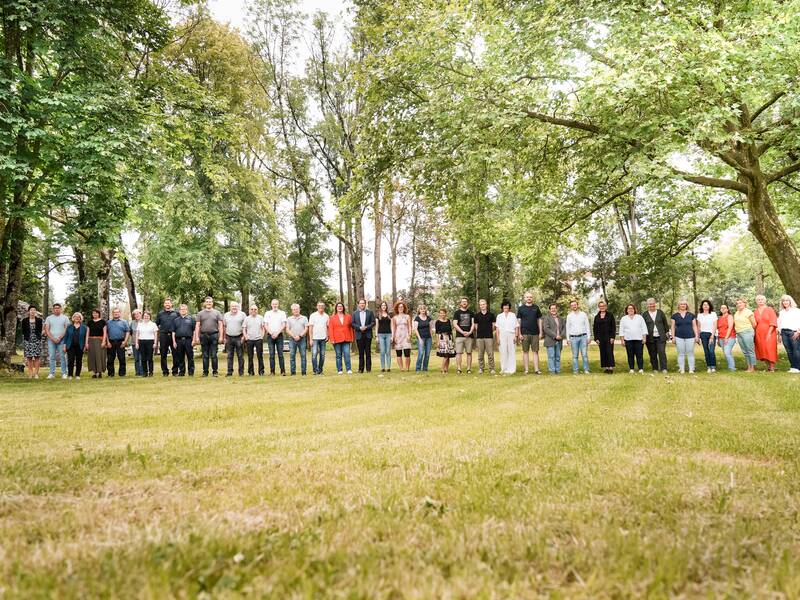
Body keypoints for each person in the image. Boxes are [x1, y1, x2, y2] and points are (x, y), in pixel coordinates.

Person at [195, 296, 223, 377]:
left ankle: (215, 372)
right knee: (205, 355)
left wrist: (221, 336)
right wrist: (197, 337)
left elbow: (220, 325)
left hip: (214, 335)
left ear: (212, 303)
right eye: (207, 301)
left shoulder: (217, 313)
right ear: (204, 303)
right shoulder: (200, 313)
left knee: (214, 355)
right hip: (203, 336)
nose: (208, 303)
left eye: (210, 301)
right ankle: (205, 372)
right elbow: (197, 326)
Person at [517, 292, 543, 374]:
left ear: (532, 298)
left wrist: (541, 332)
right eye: (527, 297)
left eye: (530, 297)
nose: (529, 298)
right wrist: (519, 333)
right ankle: (526, 370)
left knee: (535, 351)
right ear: (524, 298)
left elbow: (539, 320)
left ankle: (536, 370)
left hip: (535, 333)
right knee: (525, 351)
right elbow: (518, 322)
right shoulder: (521, 308)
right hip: (524, 333)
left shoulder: (536, 308)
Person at [670, 299, 699, 374]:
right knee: (681, 353)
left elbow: (694, 326)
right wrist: (673, 337)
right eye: (681, 304)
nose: (683, 305)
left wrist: (696, 336)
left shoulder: (691, 315)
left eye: (684, 304)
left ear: (686, 306)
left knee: (690, 353)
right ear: (678, 306)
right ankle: (682, 369)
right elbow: (672, 327)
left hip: (690, 336)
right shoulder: (674, 316)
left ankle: (691, 369)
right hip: (678, 336)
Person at [643, 298, 670, 373]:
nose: (651, 305)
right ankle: (655, 368)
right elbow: (642, 326)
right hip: (649, 337)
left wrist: (667, 332)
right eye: (650, 303)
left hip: (660, 337)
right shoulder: (645, 314)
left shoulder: (660, 312)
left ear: (655, 304)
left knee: (661, 352)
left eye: (653, 303)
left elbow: (665, 323)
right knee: (652, 353)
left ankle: (664, 368)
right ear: (647, 305)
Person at [44, 303, 70, 379]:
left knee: (63, 356)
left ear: (61, 309)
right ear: (53, 309)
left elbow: (66, 329)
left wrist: (60, 338)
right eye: (55, 308)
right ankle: (52, 373)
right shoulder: (49, 318)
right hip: (51, 340)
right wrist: (52, 338)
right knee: (52, 356)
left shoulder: (65, 318)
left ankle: (64, 373)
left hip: (62, 340)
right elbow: (47, 329)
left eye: (58, 308)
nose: (56, 309)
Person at [619, 304, 647, 373]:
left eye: (632, 308)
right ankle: (631, 368)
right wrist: (622, 340)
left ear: (634, 310)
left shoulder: (639, 317)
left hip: (639, 339)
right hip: (628, 339)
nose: (630, 310)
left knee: (639, 354)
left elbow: (644, 328)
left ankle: (640, 368)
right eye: (629, 308)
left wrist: (644, 338)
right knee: (630, 354)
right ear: (627, 310)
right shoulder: (624, 318)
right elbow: (621, 330)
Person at [754, 294, 778, 372]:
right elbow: (754, 323)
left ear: (765, 301)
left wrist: (769, 333)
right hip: (759, 333)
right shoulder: (755, 311)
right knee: (762, 349)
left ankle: (772, 367)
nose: (760, 301)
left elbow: (773, 321)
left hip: (770, 332)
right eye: (758, 300)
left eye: (762, 299)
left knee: (770, 349)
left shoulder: (769, 309)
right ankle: (768, 366)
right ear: (756, 302)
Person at [566, 300, 591, 374]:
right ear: (571, 307)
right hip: (573, 338)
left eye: (575, 304)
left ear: (577, 305)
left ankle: (586, 370)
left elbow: (587, 325)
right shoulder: (569, 316)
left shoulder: (583, 314)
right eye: (572, 305)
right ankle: (575, 370)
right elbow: (568, 328)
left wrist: (589, 336)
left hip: (583, 337)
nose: (574, 306)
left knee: (584, 355)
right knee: (575, 355)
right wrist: (568, 339)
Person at [155, 298, 178, 376]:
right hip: (163, 335)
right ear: (164, 305)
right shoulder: (160, 314)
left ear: (171, 304)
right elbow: (156, 325)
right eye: (166, 303)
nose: (167, 304)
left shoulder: (176, 313)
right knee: (163, 354)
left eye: (169, 303)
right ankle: (165, 371)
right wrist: (158, 336)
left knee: (175, 354)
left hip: (173, 336)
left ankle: (175, 371)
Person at [329, 301, 353, 374]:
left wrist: (352, 337)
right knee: (338, 355)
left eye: (341, 306)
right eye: (338, 306)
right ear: (336, 308)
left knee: (347, 354)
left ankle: (348, 369)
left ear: (343, 308)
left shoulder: (348, 316)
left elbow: (351, 328)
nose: (340, 307)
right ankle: (340, 370)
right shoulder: (332, 318)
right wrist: (332, 339)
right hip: (336, 339)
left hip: (346, 338)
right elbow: (330, 329)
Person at [777, 295, 800, 373]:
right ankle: (793, 367)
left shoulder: (796, 311)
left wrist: (798, 332)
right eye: (783, 301)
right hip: (784, 333)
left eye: (787, 300)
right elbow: (779, 324)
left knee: (796, 350)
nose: (785, 302)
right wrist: (779, 334)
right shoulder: (781, 312)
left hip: (793, 332)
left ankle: (798, 367)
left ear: (790, 301)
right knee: (789, 351)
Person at [351, 298, 375, 373]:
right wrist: (359, 328)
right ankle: (361, 369)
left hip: (368, 334)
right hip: (359, 335)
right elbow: (352, 323)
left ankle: (368, 369)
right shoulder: (355, 313)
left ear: (365, 304)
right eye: (360, 303)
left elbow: (373, 322)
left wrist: (366, 327)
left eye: (363, 303)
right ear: (358, 304)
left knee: (368, 353)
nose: (362, 304)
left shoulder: (370, 312)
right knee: (361, 353)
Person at [495, 300, 519, 375]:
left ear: (509, 307)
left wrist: (516, 336)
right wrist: (498, 338)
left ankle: (511, 369)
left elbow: (516, 326)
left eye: (507, 306)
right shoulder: (499, 316)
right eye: (504, 306)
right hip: (502, 335)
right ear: (502, 307)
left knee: (511, 352)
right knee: (503, 352)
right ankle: (504, 368)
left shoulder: (513, 315)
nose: (506, 307)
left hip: (511, 334)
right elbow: (497, 328)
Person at [222, 302, 246, 377]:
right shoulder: (226, 315)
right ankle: (229, 372)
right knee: (229, 356)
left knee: (240, 355)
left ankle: (241, 372)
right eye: (232, 306)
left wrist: (244, 337)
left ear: (238, 307)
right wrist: (224, 337)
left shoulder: (242, 315)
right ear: (230, 307)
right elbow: (224, 327)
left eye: (235, 306)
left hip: (239, 337)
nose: (234, 308)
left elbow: (245, 326)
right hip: (229, 337)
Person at [452, 297, 475, 374]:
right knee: (458, 353)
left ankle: (469, 369)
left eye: (465, 302)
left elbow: (473, 324)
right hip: (459, 336)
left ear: (467, 303)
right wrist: (462, 332)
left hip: (469, 336)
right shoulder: (457, 313)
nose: (464, 303)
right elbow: (455, 324)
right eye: (463, 302)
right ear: (460, 303)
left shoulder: (471, 313)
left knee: (469, 353)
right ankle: (459, 368)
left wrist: (470, 332)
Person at [734, 298, 758, 372]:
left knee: (750, 350)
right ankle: (749, 367)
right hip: (739, 333)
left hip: (747, 332)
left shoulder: (748, 312)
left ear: (744, 303)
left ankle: (753, 368)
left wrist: (750, 332)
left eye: (741, 303)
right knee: (745, 351)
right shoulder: (736, 313)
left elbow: (754, 324)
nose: (739, 304)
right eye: (737, 303)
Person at [264, 299, 287, 376]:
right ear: (271, 305)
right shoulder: (267, 313)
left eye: (276, 304)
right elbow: (265, 325)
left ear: (278, 304)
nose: (275, 305)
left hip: (279, 335)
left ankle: (283, 371)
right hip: (270, 336)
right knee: (271, 355)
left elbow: (283, 324)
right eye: (273, 304)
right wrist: (271, 333)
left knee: (280, 354)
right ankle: (272, 372)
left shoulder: (282, 313)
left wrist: (277, 333)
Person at [105, 307, 130, 377]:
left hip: (120, 341)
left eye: (117, 312)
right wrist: (107, 342)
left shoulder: (124, 322)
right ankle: (110, 373)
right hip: (111, 342)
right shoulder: (108, 322)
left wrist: (125, 341)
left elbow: (127, 331)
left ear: (119, 313)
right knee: (110, 359)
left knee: (122, 358)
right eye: (114, 312)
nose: (116, 313)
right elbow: (106, 333)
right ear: (112, 314)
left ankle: (122, 373)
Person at [172, 304, 196, 376]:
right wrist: (174, 342)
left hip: (188, 340)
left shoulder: (191, 319)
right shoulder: (176, 320)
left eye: (184, 309)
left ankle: (191, 372)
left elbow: (194, 331)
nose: (183, 310)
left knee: (190, 357)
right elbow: (173, 332)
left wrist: (194, 340)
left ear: (187, 310)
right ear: (179, 311)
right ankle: (181, 372)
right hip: (178, 340)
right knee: (180, 357)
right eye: (182, 309)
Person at [593, 300, 616, 373]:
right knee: (603, 352)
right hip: (600, 338)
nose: (602, 307)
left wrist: (613, 337)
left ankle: (611, 368)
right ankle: (606, 368)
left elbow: (614, 327)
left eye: (603, 306)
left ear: (606, 307)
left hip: (609, 337)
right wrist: (596, 338)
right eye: (600, 306)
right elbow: (595, 328)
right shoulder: (596, 317)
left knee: (609, 352)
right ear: (598, 307)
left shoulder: (610, 315)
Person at [473, 299, 496, 374]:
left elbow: (493, 326)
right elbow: (476, 326)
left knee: (490, 353)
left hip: (489, 337)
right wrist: (481, 331)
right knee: (480, 354)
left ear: (486, 305)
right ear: (480, 306)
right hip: (480, 337)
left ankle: (491, 368)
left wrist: (488, 331)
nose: (482, 306)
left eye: (483, 304)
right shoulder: (476, 316)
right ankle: (481, 368)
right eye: (481, 304)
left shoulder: (491, 315)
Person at [542, 303, 566, 374]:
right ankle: (552, 371)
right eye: (552, 308)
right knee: (551, 356)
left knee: (558, 356)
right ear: (549, 310)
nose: (553, 310)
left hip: (559, 340)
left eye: (554, 308)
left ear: (556, 309)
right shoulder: (546, 318)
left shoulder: (561, 319)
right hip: (550, 340)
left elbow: (564, 328)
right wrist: (555, 336)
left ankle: (558, 370)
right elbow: (546, 329)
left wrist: (561, 335)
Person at [286, 304, 309, 376]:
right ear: (292, 310)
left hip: (302, 339)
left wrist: (299, 336)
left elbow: (306, 328)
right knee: (292, 355)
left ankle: (304, 372)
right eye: (294, 309)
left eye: (297, 309)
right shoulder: (289, 319)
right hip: (292, 339)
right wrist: (294, 336)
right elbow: (287, 329)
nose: (296, 310)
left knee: (303, 355)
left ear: (299, 309)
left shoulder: (304, 318)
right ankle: (293, 372)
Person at [21, 305, 43, 379]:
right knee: (29, 357)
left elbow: (40, 330)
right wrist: (26, 339)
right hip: (28, 340)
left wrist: (38, 337)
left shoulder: (39, 320)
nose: (33, 311)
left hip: (37, 340)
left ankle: (36, 374)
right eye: (31, 310)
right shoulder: (24, 320)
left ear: (35, 311)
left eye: (34, 310)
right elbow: (23, 331)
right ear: (29, 311)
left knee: (37, 357)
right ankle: (30, 373)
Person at [243, 304, 266, 376]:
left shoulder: (261, 318)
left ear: (257, 310)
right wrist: (246, 337)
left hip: (258, 339)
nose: (253, 311)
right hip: (249, 339)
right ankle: (251, 372)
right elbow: (244, 328)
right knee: (250, 356)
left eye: (255, 309)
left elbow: (263, 328)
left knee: (260, 356)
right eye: (252, 309)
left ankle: (261, 371)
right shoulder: (247, 318)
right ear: (250, 310)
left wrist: (262, 336)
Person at [63, 312, 87, 379]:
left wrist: (85, 346)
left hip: (80, 346)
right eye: (75, 317)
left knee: (79, 360)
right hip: (70, 346)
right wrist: (64, 345)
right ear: (73, 318)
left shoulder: (84, 327)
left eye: (78, 317)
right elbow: (66, 337)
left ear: (80, 318)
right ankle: (70, 375)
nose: (77, 318)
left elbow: (85, 337)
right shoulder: (69, 327)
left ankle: (77, 375)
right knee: (71, 360)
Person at [309, 301, 330, 375]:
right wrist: (310, 339)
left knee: (322, 355)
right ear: (317, 307)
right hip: (315, 338)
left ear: (324, 307)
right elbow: (310, 328)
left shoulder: (326, 316)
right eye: (319, 306)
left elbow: (328, 327)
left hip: (323, 338)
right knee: (314, 354)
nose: (321, 307)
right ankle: (315, 370)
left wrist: (328, 335)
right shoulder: (313, 315)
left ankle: (320, 370)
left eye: (322, 306)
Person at [697, 299, 718, 372]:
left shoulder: (713, 314)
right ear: (702, 306)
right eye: (704, 305)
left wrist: (712, 335)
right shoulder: (699, 315)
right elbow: (699, 327)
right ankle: (708, 367)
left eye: (707, 305)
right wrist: (698, 337)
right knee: (706, 351)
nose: (705, 306)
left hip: (711, 334)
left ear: (709, 306)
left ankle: (713, 366)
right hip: (703, 334)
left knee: (711, 351)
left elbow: (715, 325)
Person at [135, 311, 158, 377]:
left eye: (147, 316)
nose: (146, 317)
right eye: (145, 316)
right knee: (143, 358)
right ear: (143, 317)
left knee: (150, 358)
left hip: (150, 342)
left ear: (150, 317)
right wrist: (137, 343)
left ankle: (151, 372)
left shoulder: (153, 324)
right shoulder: (140, 324)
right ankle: (145, 372)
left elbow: (155, 334)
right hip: (142, 342)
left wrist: (155, 343)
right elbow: (137, 334)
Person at [392, 301, 413, 371]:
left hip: (406, 335)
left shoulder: (407, 316)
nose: (400, 308)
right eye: (399, 307)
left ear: (404, 308)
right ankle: (401, 368)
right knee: (399, 353)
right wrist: (393, 337)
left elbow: (410, 326)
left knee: (407, 353)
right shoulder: (394, 318)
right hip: (398, 336)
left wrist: (409, 335)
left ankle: (407, 368)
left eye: (402, 307)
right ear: (397, 308)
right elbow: (393, 328)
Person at [86, 309, 107, 378]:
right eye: (93, 313)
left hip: (100, 340)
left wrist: (104, 341)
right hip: (91, 340)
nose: (95, 314)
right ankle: (94, 373)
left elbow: (105, 333)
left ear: (99, 314)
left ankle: (100, 372)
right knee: (92, 356)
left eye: (96, 313)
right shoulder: (90, 322)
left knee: (100, 356)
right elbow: (87, 333)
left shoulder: (103, 322)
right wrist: (86, 343)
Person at [413, 305, 433, 372]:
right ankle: (418, 368)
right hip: (421, 338)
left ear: (425, 310)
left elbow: (430, 328)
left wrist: (431, 337)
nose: (423, 310)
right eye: (421, 309)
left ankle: (425, 368)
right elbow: (415, 329)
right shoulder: (417, 318)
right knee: (421, 353)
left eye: (424, 309)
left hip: (428, 338)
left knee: (427, 354)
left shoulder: (428, 318)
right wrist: (419, 339)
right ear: (419, 310)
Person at [435, 308, 456, 373]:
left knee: (448, 355)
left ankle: (446, 369)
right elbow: (437, 333)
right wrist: (437, 342)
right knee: (445, 355)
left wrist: (452, 340)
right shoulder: (437, 322)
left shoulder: (448, 321)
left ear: (446, 313)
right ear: (439, 314)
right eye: (441, 313)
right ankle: (442, 369)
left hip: (449, 339)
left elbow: (451, 331)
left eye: (443, 313)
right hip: (442, 339)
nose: (442, 314)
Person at [717, 304, 737, 372]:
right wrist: (718, 339)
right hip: (721, 338)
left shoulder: (730, 316)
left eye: (724, 308)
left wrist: (726, 337)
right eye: (721, 308)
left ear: (727, 309)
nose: (723, 309)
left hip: (729, 337)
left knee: (727, 353)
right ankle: (731, 367)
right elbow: (719, 329)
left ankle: (732, 369)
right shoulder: (719, 318)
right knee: (727, 353)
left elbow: (730, 327)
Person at [376, 301, 392, 372]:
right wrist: (376, 336)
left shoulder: (389, 315)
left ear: (386, 307)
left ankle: (388, 367)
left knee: (388, 351)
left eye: (385, 305)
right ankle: (383, 367)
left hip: (388, 334)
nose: (384, 306)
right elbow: (377, 326)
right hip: (381, 335)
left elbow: (391, 326)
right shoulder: (378, 315)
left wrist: (392, 336)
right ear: (380, 307)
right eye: (382, 305)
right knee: (382, 351)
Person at [129, 309, 143, 376]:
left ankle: (143, 371)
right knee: (136, 358)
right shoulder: (132, 323)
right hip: (134, 343)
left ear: (141, 314)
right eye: (135, 314)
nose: (136, 315)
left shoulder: (144, 322)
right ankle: (137, 372)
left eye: (138, 314)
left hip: (143, 342)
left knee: (142, 358)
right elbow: (131, 332)